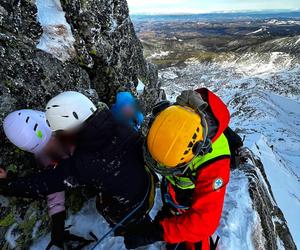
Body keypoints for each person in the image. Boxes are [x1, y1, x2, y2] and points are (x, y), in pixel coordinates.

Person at [0, 91, 155, 248]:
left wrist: (6, 184)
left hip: (128, 208)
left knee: (112, 212)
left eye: (59, 132)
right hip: (148, 185)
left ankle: (129, 232)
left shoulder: (86, 163)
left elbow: (45, 183)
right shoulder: (117, 121)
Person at [123, 88, 231, 250]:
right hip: (178, 186)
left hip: (192, 192)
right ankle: (172, 213)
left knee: (193, 236)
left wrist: (157, 232)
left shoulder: (215, 163)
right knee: (174, 204)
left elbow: (203, 223)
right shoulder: (172, 122)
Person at [0, 109, 88, 249]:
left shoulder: (78, 130)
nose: (48, 148)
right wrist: (58, 231)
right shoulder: (45, 156)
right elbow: (51, 185)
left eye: (50, 140)